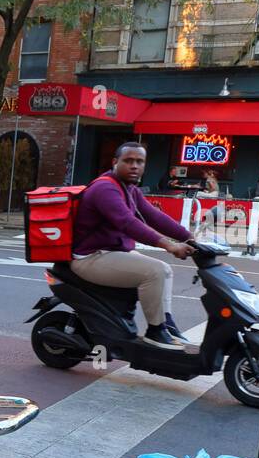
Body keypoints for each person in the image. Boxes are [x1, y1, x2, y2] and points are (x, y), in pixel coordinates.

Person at [70, 141, 197, 350]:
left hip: (111, 252)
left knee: (164, 270)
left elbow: (154, 216)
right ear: (115, 162)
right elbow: (128, 223)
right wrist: (169, 246)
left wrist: (189, 237)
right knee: (154, 271)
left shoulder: (129, 188)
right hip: (90, 257)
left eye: (140, 161)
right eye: (128, 161)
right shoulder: (105, 188)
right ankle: (155, 332)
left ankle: (166, 324)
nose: (134, 166)